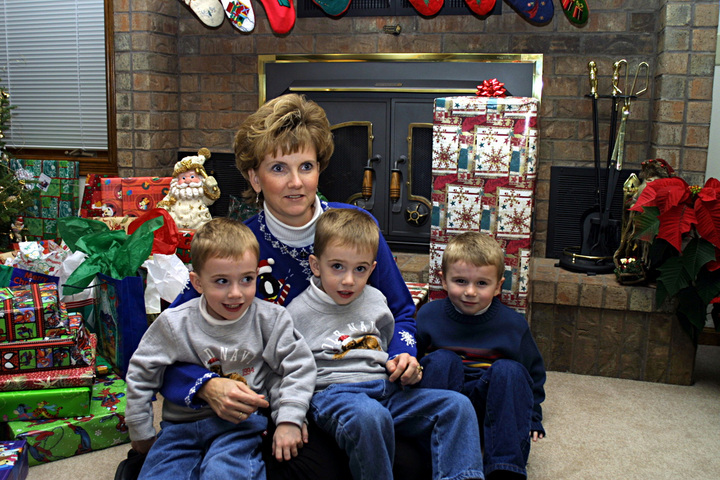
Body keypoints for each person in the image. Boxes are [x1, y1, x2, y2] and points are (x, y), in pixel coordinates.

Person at [159, 93, 428, 479]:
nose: (296, 182)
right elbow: (168, 339)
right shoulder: (236, 248)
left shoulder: (356, 228)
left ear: (319, 169)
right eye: (278, 168)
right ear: (255, 178)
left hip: (356, 387)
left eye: (306, 166)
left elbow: (402, 312)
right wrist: (206, 386)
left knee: (410, 463)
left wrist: (404, 353)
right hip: (281, 399)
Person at [288, 208, 485, 480]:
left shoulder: (376, 299)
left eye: (359, 269)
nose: (348, 280)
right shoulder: (297, 313)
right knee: (370, 416)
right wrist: (291, 416)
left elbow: (391, 342)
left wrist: (402, 362)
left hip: (386, 391)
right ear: (315, 265)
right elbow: (286, 369)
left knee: (458, 406)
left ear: (372, 269)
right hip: (335, 395)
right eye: (337, 267)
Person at [124, 217, 316, 479]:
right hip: (180, 427)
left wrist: (289, 419)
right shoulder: (174, 323)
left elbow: (299, 367)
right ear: (197, 282)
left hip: (241, 426)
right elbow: (141, 373)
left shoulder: (271, 319)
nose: (236, 293)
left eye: (246, 279)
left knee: (225, 473)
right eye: (222, 281)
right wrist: (141, 431)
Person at [416, 232, 546, 480]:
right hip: (445, 403)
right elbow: (412, 361)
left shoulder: (513, 325)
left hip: (492, 407)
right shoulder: (427, 315)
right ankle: (430, 458)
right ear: (443, 281)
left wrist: (532, 417)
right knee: (441, 360)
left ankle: (504, 467)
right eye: (460, 281)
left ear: (498, 286)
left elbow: (533, 375)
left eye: (482, 283)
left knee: (510, 370)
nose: (470, 292)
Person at [157, 148, 221, 230]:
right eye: (183, 178)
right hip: (176, 227)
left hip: (199, 226)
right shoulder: (175, 192)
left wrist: (210, 188)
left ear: (200, 177)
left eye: (192, 177)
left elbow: (210, 200)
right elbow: (166, 202)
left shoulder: (201, 192)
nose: (187, 181)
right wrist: (163, 209)